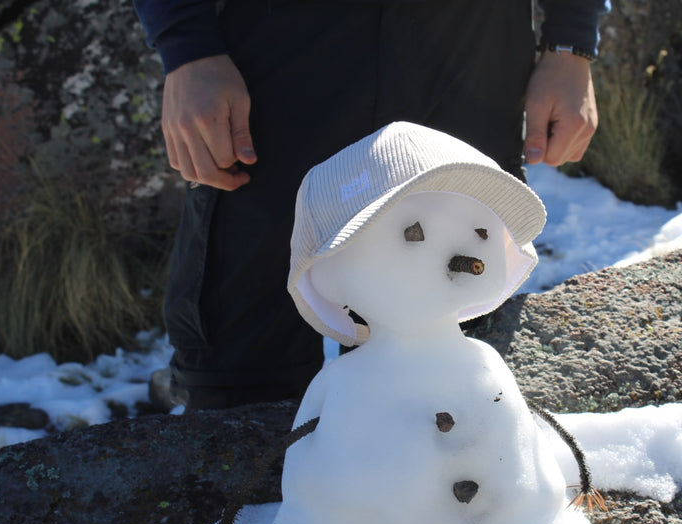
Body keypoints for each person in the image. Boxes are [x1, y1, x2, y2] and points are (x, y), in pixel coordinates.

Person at [133, 0, 608, 410]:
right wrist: (188, 49)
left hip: (469, 54)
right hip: (278, 56)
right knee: (240, 387)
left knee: (451, 381)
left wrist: (570, 43)